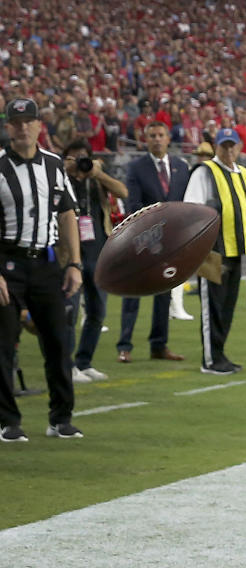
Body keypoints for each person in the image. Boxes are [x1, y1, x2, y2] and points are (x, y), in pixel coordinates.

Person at [0, 98, 83, 442]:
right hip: (7, 263)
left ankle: (60, 418)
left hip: (47, 263)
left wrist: (75, 263)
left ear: (38, 126)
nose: (22, 127)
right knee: (3, 344)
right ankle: (8, 422)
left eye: (28, 121)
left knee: (58, 342)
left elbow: (67, 215)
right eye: (16, 122)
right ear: (8, 128)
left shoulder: (54, 165)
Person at [184, 128, 246, 374]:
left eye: (232, 146)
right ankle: (210, 359)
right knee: (212, 305)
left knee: (227, 305)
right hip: (213, 250)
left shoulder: (245, 175)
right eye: (224, 146)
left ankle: (220, 353)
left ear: (239, 147)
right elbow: (192, 210)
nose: (228, 150)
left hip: (237, 248)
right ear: (216, 147)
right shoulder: (205, 172)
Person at [116, 121, 190, 365]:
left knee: (164, 294)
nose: (157, 139)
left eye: (160, 135)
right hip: (141, 240)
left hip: (170, 244)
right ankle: (124, 345)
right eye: (152, 136)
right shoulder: (136, 167)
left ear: (168, 138)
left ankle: (159, 345)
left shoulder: (181, 166)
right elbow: (133, 206)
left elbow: (186, 204)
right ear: (145, 139)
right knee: (133, 294)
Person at [62, 139, 128, 382]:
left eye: (83, 156)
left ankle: (84, 362)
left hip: (98, 253)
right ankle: (67, 365)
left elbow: (123, 192)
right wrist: (65, 170)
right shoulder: (61, 178)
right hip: (70, 257)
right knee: (68, 313)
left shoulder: (97, 179)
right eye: (74, 156)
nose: (80, 161)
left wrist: (98, 173)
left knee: (97, 312)